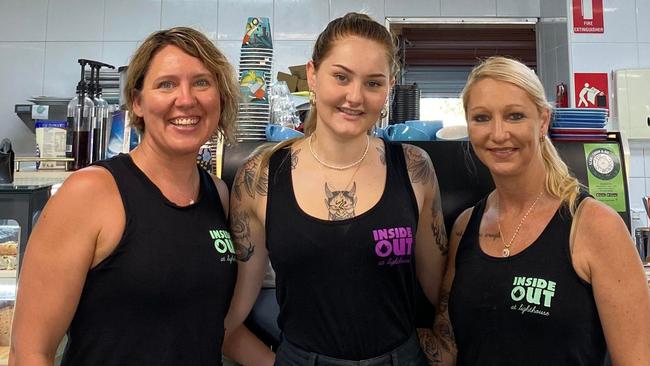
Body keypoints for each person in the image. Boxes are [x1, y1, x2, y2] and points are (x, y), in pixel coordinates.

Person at [223, 12, 450, 366]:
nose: (355, 97)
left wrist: (448, 351)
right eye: (341, 77)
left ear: (389, 86)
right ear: (313, 75)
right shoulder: (261, 175)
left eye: (373, 83)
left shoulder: (414, 167)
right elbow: (236, 307)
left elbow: (440, 290)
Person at [10, 27, 240, 365]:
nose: (186, 99)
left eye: (202, 82)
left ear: (220, 98)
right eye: (166, 84)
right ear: (137, 101)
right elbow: (30, 352)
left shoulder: (216, 194)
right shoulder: (91, 192)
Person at [440, 56, 650, 365]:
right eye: (482, 118)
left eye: (514, 116)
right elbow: (450, 342)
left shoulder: (594, 226)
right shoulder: (465, 226)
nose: (497, 134)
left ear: (542, 121)